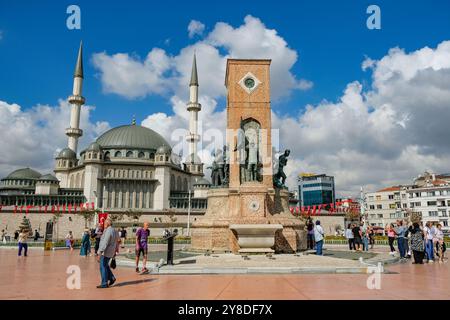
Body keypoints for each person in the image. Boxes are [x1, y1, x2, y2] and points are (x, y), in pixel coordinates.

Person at [97, 218, 119, 288]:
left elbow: (105, 242)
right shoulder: (115, 230)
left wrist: (100, 252)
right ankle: (112, 278)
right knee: (105, 265)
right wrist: (116, 250)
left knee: (102, 266)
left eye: (105, 223)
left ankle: (104, 283)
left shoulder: (108, 231)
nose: (104, 225)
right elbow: (118, 241)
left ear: (107, 224)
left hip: (106, 251)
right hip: (111, 251)